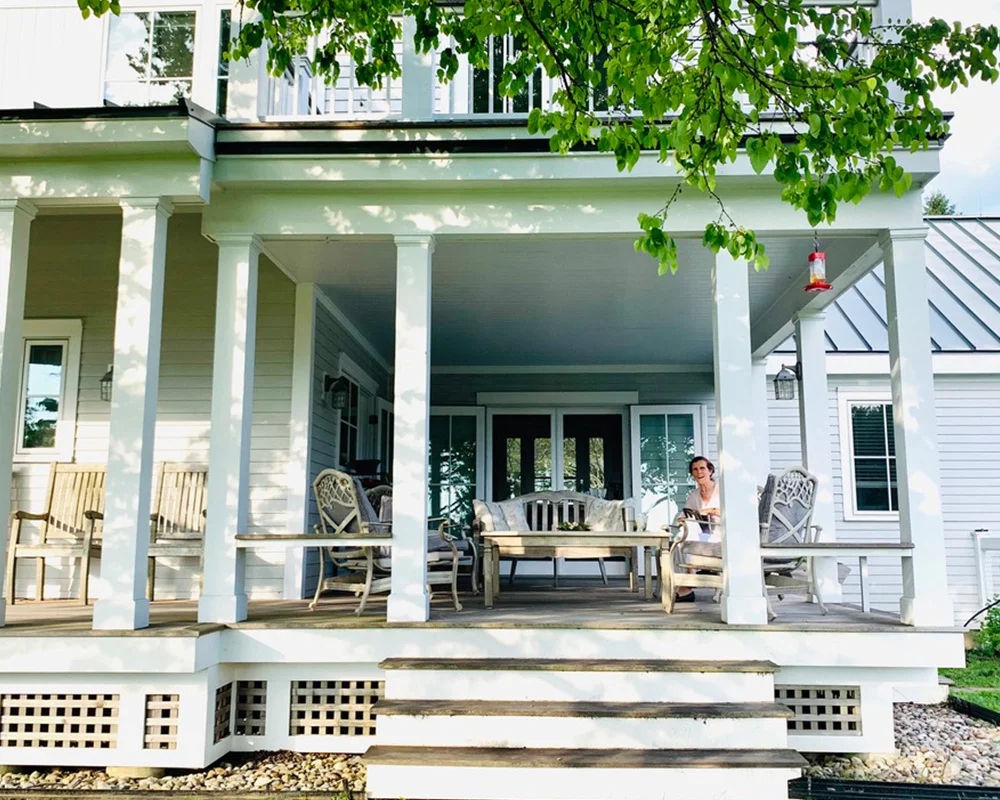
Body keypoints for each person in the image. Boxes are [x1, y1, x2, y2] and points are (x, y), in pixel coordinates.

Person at [674, 456, 721, 603]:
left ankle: (687, 586)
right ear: (692, 474)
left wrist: (711, 511)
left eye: (702, 468)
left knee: (688, 531)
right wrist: (684, 519)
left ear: (710, 471)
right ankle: (689, 577)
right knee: (682, 534)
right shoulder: (694, 495)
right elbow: (683, 516)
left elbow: (733, 513)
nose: (699, 472)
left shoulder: (722, 490)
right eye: (695, 469)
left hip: (721, 535)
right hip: (704, 535)